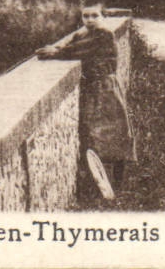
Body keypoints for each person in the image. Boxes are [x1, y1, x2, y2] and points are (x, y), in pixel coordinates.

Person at [37, 11, 135, 199]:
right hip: (91, 89)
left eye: (95, 15)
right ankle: (97, 182)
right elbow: (71, 45)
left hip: (105, 88)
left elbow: (77, 50)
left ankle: (118, 183)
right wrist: (56, 48)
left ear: (103, 17)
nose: (90, 20)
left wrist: (56, 52)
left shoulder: (105, 35)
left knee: (117, 132)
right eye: (86, 16)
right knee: (92, 133)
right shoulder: (81, 34)